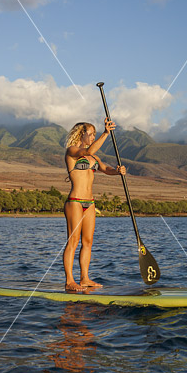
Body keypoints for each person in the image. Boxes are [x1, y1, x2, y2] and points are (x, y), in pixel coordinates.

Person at [63, 118, 126, 292]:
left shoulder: (93, 157)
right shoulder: (73, 151)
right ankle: (69, 280)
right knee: (73, 241)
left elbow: (106, 169)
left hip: (89, 203)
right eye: (90, 134)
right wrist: (106, 133)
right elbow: (89, 149)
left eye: (94, 134)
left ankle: (84, 278)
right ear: (80, 134)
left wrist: (117, 171)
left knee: (88, 242)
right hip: (75, 201)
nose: (92, 137)